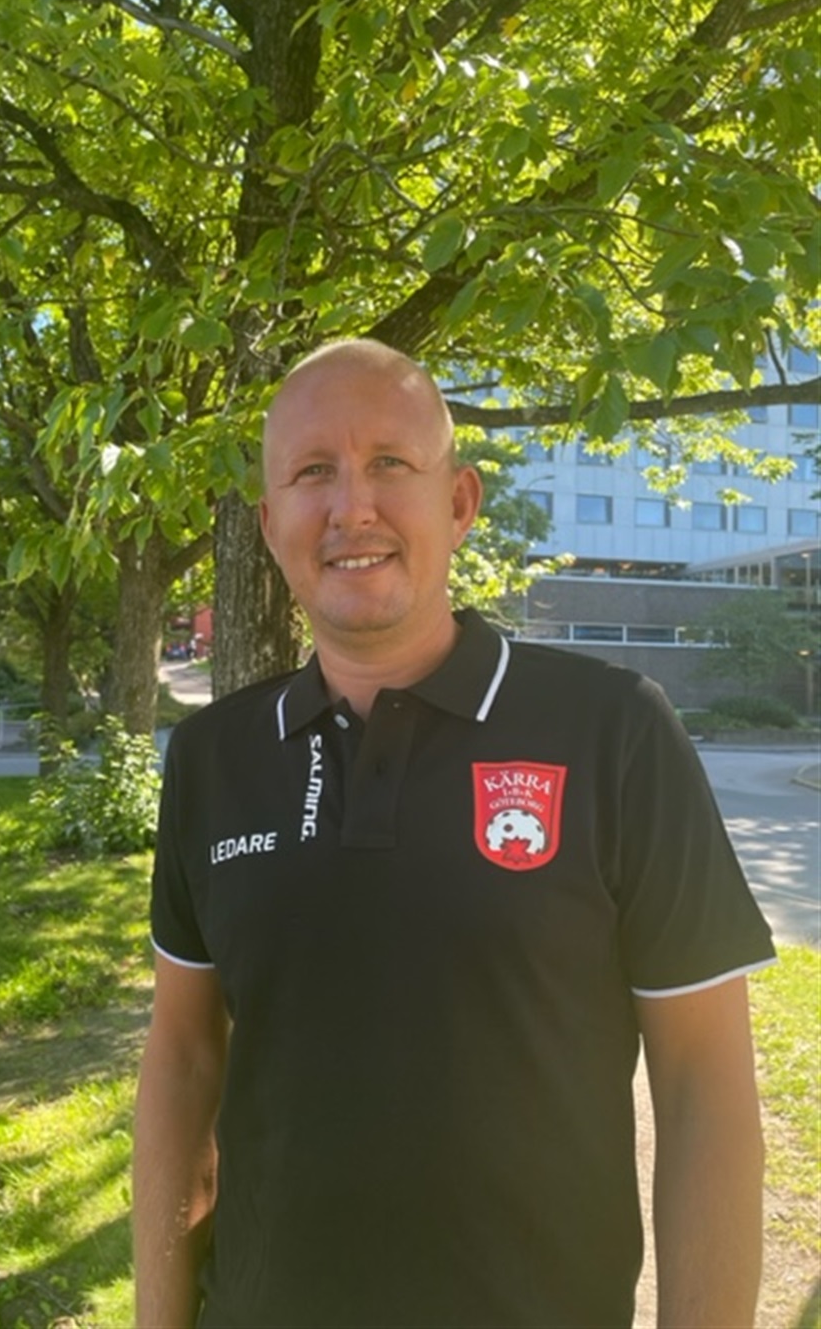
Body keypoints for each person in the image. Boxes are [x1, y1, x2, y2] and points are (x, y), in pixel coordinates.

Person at [133, 339, 775, 1328]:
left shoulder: (613, 731)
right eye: (313, 471)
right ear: (268, 523)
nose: (352, 507)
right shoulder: (213, 757)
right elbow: (182, 1061)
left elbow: (704, 1085)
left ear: (460, 501)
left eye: (390, 461)